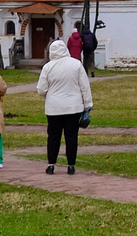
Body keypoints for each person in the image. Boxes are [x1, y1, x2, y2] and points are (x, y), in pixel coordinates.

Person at [37, 41, 92, 174]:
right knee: (71, 136)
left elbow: (41, 89)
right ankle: (71, 165)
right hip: (73, 107)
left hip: (54, 108)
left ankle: (51, 164)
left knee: (53, 136)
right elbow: (84, 86)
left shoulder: (48, 67)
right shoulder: (76, 64)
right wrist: (88, 104)